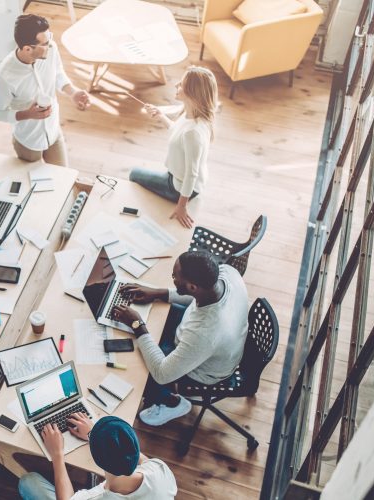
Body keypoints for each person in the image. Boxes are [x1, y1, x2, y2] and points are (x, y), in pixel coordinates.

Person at [112, 251, 249, 427]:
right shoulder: (227, 273)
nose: (173, 279)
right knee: (153, 325)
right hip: (202, 336)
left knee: (139, 369)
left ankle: (172, 403)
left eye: (175, 277)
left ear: (192, 287)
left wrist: (137, 324)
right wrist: (157, 293)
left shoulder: (205, 333)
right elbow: (196, 298)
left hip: (204, 371)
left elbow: (162, 374)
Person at [0, 14, 90, 167]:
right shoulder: (4, 77)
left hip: (53, 132)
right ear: (27, 48)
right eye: (44, 43)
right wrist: (28, 114)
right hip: (28, 141)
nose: (50, 44)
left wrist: (73, 92)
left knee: (63, 178)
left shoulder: (51, 49)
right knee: (34, 185)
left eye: (49, 37)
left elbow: (57, 73)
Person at [129, 66, 218, 228]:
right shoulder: (192, 114)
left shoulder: (193, 133)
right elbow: (178, 133)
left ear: (192, 92)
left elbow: (191, 174)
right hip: (181, 178)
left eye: (181, 84)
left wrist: (181, 206)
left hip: (178, 187)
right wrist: (160, 116)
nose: (176, 85)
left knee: (134, 174)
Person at [18, 415, 177, 499]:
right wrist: (94, 435)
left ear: (97, 458)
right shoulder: (160, 469)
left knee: (28, 482)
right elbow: (132, 452)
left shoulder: (94, 498)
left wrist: (57, 454)